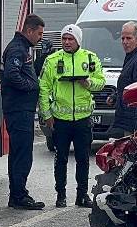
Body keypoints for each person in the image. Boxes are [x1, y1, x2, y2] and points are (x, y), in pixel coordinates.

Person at [38, 24, 103, 208]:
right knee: (61, 159)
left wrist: (87, 82)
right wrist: (47, 114)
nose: (66, 42)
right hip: (60, 120)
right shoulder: (52, 60)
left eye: (70, 39)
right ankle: (61, 195)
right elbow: (43, 88)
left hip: (83, 120)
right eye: (64, 38)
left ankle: (82, 195)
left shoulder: (90, 58)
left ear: (78, 41)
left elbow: (101, 82)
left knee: (83, 159)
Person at [1, 14, 47, 210]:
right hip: (19, 109)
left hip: (22, 109)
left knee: (19, 152)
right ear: (29, 30)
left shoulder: (22, 48)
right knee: (22, 154)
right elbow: (12, 75)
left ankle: (17, 194)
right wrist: (30, 86)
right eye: (39, 33)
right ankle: (19, 195)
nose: (40, 37)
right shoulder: (17, 49)